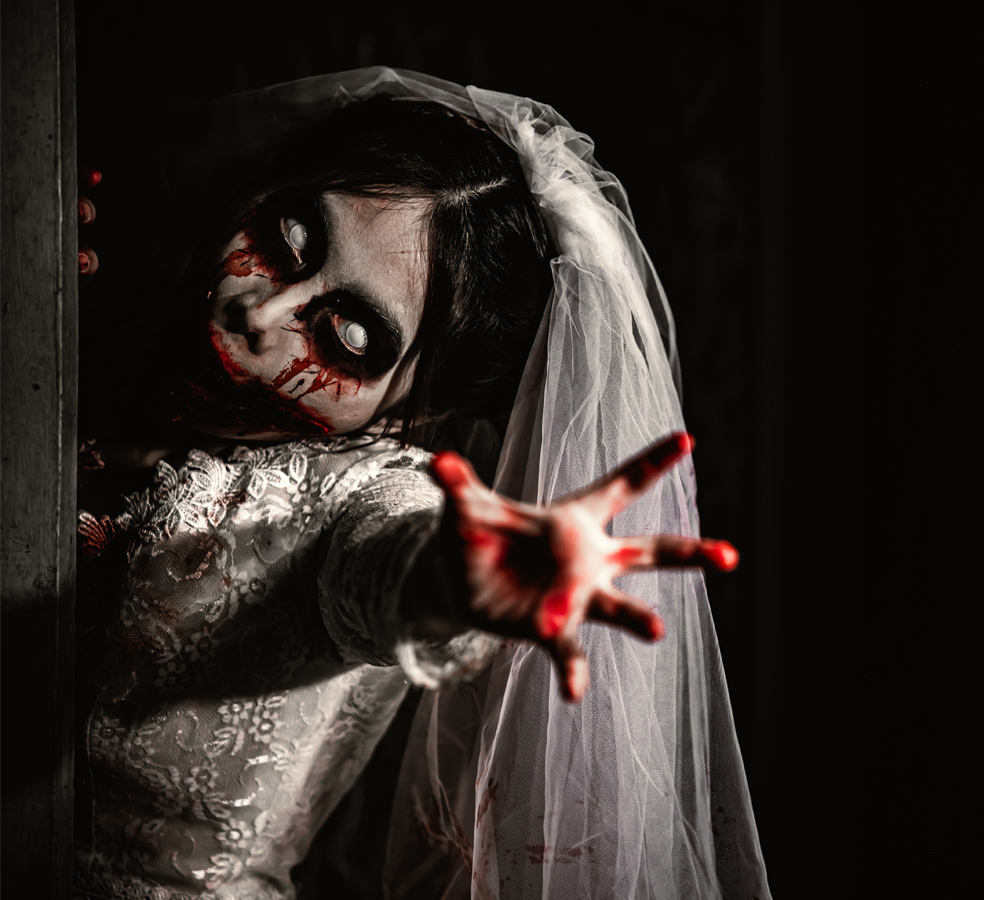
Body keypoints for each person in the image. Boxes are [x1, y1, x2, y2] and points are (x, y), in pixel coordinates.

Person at [74, 68, 770, 899]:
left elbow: (398, 563)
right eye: (288, 237)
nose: (259, 311)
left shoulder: (366, 497)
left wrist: (485, 573)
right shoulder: (101, 300)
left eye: (348, 334)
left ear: (417, 408)